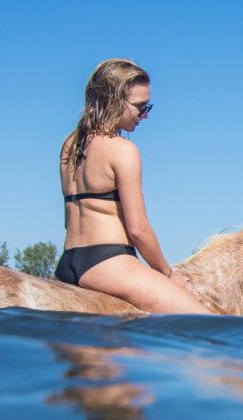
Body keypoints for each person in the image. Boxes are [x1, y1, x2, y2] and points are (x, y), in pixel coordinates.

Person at [55, 59, 212, 314]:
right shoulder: (123, 150)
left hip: (68, 263)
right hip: (108, 263)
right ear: (113, 100)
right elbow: (138, 229)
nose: (145, 114)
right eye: (140, 107)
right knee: (206, 322)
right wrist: (168, 274)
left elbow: (68, 220)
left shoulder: (69, 144)